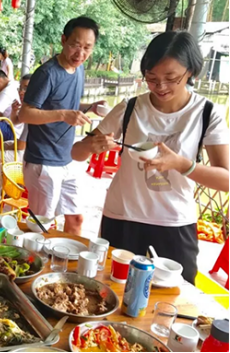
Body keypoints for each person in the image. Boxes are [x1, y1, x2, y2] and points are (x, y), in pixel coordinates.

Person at [72, 32, 229, 284]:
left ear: (191, 71)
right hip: (122, 216)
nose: (160, 87)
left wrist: (181, 165)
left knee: (177, 297)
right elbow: (76, 153)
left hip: (174, 222)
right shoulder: (130, 107)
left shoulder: (207, 113)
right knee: (111, 289)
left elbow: (225, 179)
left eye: (171, 78)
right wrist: (93, 144)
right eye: (152, 78)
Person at [18, 17, 106, 236]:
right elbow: (25, 113)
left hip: (67, 158)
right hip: (43, 162)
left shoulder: (79, 70)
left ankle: (67, 266)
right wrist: (63, 115)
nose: (80, 54)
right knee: (42, 226)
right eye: (76, 45)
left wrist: (90, 106)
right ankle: (36, 267)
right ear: (64, 40)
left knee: (76, 218)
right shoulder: (47, 73)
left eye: (87, 48)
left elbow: (67, 105)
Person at [0, 74, 32, 165]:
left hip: (31, 153)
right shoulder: (26, 106)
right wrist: (14, 111)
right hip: (21, 141)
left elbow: (20, 146)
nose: (21, 92)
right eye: (20, 88)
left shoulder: (33, 111)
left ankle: (4, 177)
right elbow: (16, 121)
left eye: (26, 88)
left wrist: (10, 147)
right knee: (3, 145)